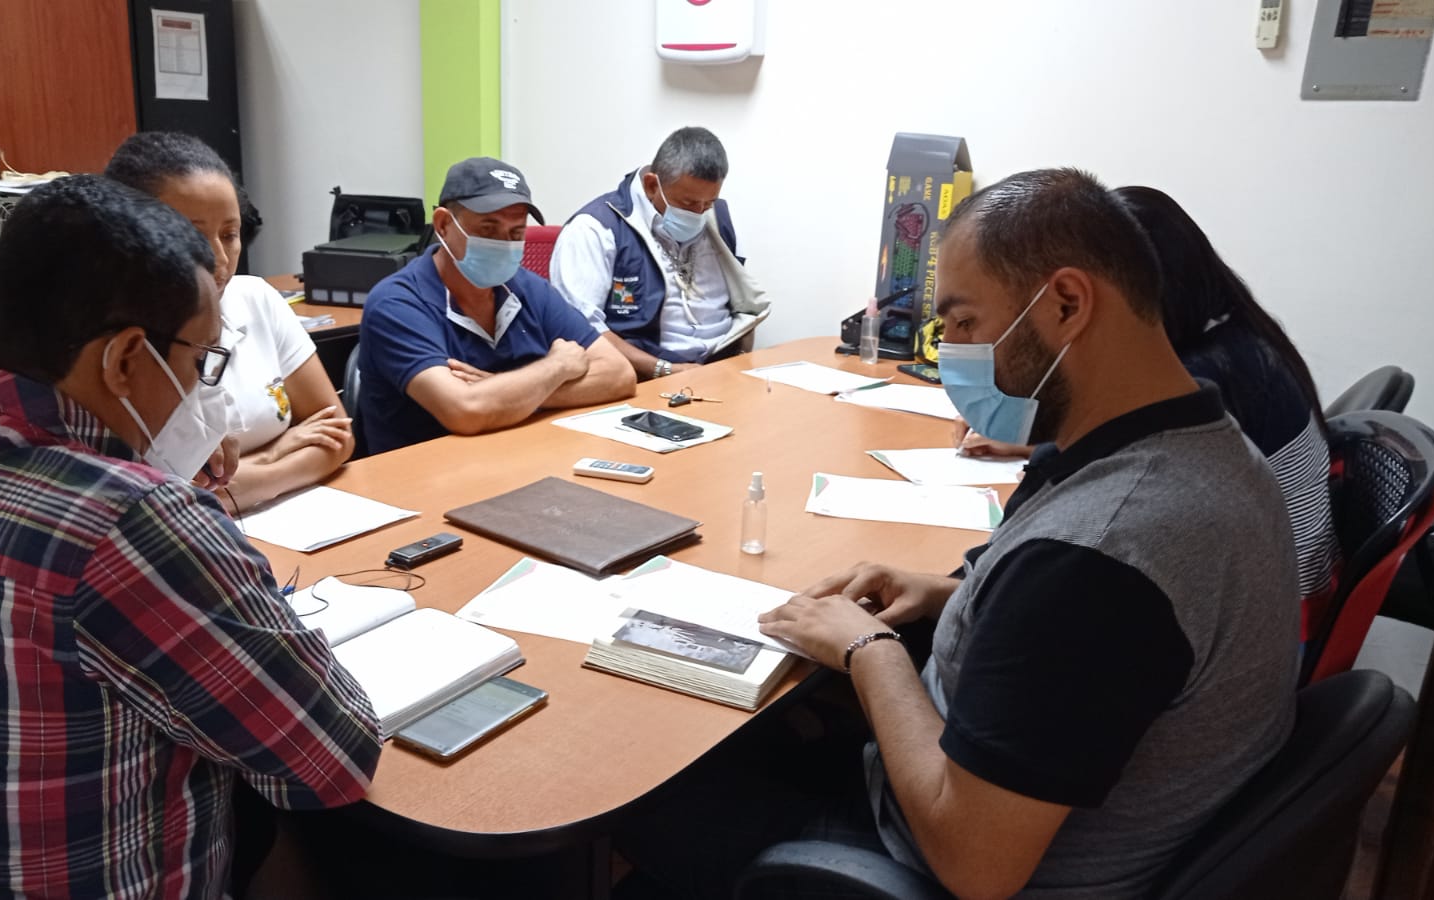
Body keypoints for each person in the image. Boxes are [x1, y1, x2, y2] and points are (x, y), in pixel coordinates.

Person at [621, 169, 1302, 899]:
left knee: (643, 791)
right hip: (1037, 795)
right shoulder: (1205, 445)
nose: (951, 351)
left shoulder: (1101, 559)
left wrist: (869, 651)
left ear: (1067, 304)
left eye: (965, 323)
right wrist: (947, 592)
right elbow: (1071, 650)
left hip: (937, 857)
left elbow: (977, 865)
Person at [0, 176, 384, 898]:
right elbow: (334, 756)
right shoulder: (133, 524)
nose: (204, 391)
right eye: (201, 362)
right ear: (126, 360)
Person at [956, 185, 1338, 603]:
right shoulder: (1236, 335)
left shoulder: (1198, 382)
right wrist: (1029, 437)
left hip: (1271, 601)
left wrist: (1032, 436)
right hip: (1277, 585)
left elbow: (1101, 478)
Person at [105, 131, 354, 513]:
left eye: (230, 234)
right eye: (193, 236)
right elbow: (159, 499)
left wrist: (244, 482)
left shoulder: (255, 298)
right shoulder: (114, 345)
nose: (220, 258)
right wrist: (275, 454)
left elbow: (338, 437)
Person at [357, 156, 635, 454]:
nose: (503, 244)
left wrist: (511, 392)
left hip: (517, 456)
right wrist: (558, 366)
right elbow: (465, 411)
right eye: (488, 229)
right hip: (423, 471)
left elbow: (619, 375)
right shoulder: (397, 303)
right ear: (443, 225)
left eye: (516, 233)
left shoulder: (528, 288)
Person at [550, 126, 768, 381]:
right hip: (645, 378)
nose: (699, 213)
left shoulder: (720, 219)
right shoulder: (594, 229)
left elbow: (743, 307)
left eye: (708, 203)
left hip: (722, 371)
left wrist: (738, 362)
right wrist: (664, 369)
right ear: (652, 185)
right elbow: (582, 330)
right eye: (688, 203)